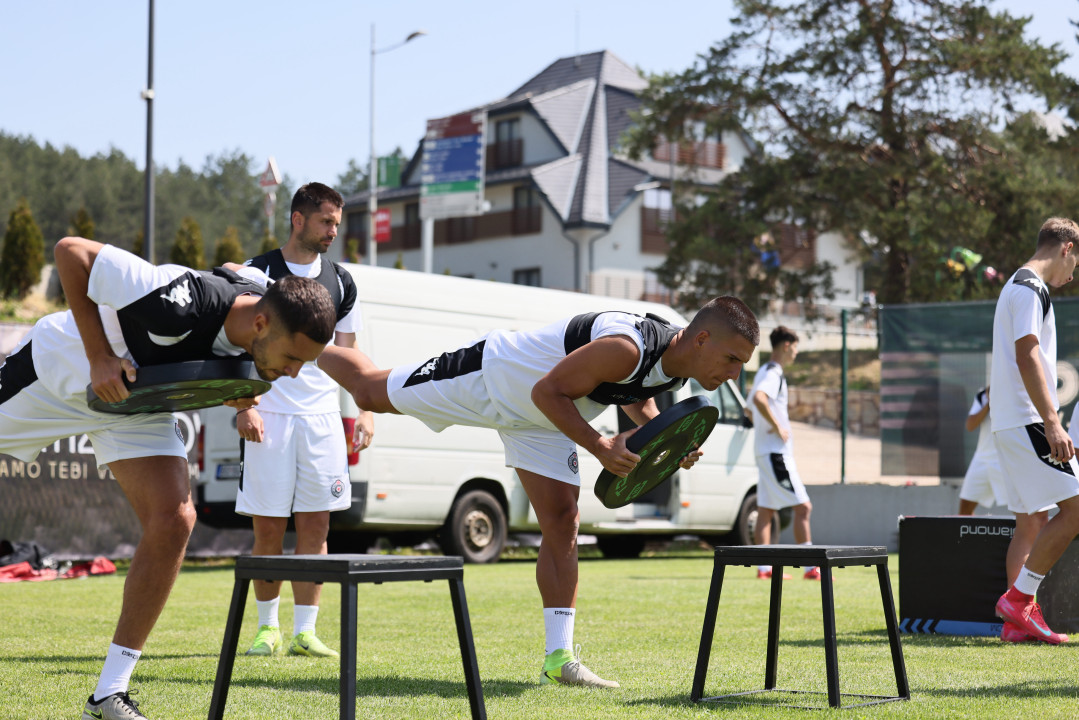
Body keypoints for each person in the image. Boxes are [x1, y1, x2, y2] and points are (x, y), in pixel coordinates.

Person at [316, 298, 760, 688]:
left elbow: (634, 394)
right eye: (732, 359)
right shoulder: (628, 346)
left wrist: (665, 439)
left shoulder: (675, 370)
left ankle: (559, 659)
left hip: (546, 421)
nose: (736, 373)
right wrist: (600, 446)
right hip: (495, 377)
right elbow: (546, 390)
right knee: (370, 391)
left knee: (564, 520)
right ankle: (305, 345)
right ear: (701, 338)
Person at [0, 236, 337, 720]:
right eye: (292, 359)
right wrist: (98, 356)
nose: (293, 372)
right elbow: (71, 252)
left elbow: (231, 271)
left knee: (175, 517)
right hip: (65, 368)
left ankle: (108, 693)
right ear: (261, 322)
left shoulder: (267, 300)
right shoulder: (176, 301)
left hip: (134, 403)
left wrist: (239, 385)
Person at [234, 183, 373, 659]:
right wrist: (243, 406)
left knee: (316, 527)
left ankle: (305, 632)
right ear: (298, 219)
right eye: (326, 222)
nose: (334, 230)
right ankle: (266, 629)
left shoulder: (344, 282)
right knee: (269, 528)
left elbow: (350, 356)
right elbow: (235, 346)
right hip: (268, 413)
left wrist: (365, 409)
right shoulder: (258, 272)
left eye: (337, 222)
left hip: (322, 419)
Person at [991, 216, 1079, 645]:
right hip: (1028, 419)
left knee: (1030, 522)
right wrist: (1052, 420)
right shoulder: (1030, 288)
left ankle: (1016, 623)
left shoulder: (1017, 285)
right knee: (1077, 508)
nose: (1072, 275)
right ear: (1066, 249)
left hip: (1010, 421)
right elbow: (1027, 355)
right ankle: (1020, 599)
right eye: (1075, 264)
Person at [746, 326, 819, 581]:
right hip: (775, 454)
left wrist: (764, 426)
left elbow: (748, 409)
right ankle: (811, 568)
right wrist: (777, 426)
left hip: (765, 452)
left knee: (766, 511)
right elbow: (758, 399)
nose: (796, 353)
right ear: (786, 345)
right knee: (803, 508)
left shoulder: (763, 372)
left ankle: (764, 569)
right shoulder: (773, 373)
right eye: (796, 347)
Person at [957, 386, 1007, 515]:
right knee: (964, 510)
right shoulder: (982, 395)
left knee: (1022, 511)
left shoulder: (1018, 390)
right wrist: (989, 403)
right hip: (981, 460)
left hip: (1008, 461)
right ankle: (972, 536)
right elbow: (970, 425)